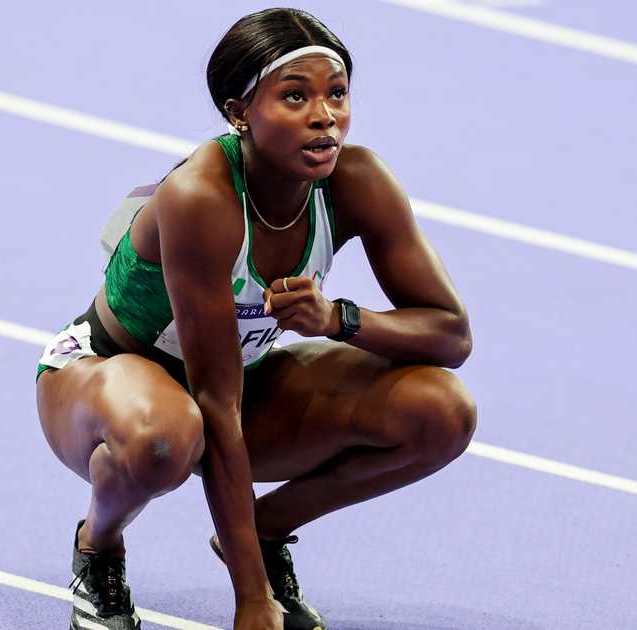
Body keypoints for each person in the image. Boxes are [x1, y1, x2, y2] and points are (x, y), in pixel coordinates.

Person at [36, 8, 477, 630]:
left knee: (441, 411)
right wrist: (251, 603)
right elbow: (214, 402)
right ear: (238, 111)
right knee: (166, 438)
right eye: (295, 96)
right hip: (105, 378)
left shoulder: (358, 181)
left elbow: (450, 334)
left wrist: (338, 318)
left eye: (337, 93)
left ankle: (267, 535)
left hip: (240, 379)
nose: (325, 116)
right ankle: (98, 548)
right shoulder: (200, 197)